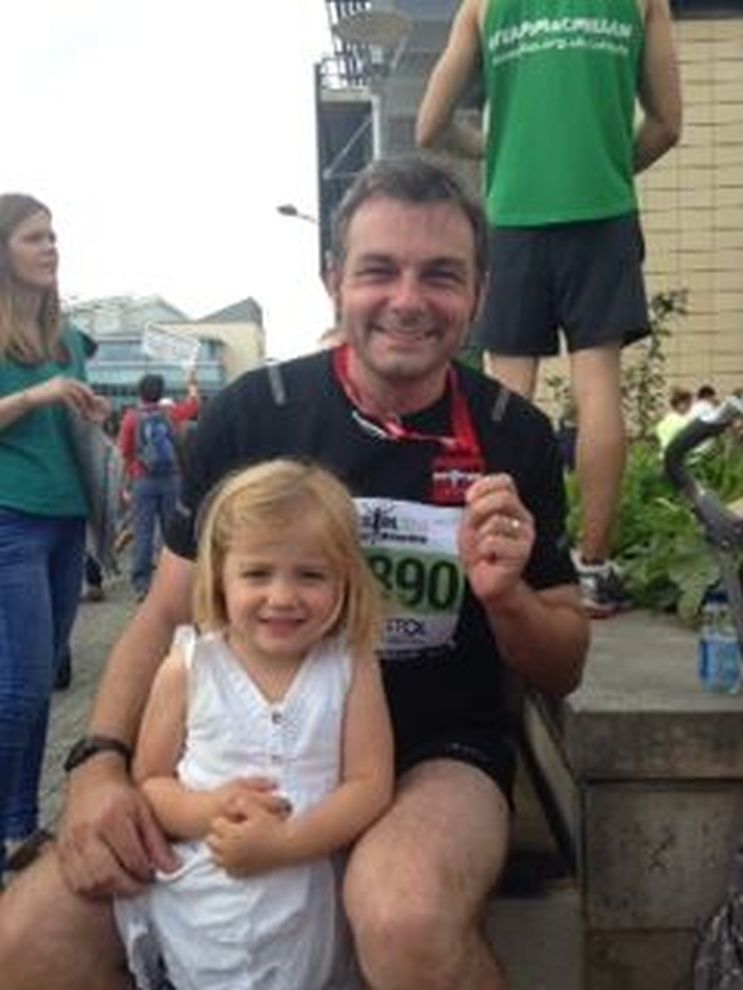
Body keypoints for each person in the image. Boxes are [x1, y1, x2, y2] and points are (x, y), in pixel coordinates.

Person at [0, 156, 589, 990]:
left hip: (434, 754)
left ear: (479, 292)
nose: (408, 300)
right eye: (378, 270)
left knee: (404, 910)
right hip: (228, 756)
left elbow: (563, 660)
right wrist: (97, 765)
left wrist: (505, 599)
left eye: (441, 276)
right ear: (332, 280)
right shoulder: (253, 413)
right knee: (26, 936)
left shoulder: (512, 434)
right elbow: (164, 612)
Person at [415, 0, 682, 617]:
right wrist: (614, 162)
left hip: (513, 218)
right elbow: (666, 124)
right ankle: (592, 565)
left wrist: (492, 145)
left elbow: (430, 126)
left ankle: (504, 556)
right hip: (604, 214)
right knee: (599, 393)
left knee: (506, 401)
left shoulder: (483, 5)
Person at [114, 459, 392, 989]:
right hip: (202, 906)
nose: (282, 597)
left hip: (305, 900)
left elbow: (369, 784)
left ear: (345, 579)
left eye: (310, 575)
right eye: (257, 573)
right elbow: (149, 781)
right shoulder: (189, 667)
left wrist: (286, 844)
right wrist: (206, 810)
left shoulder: (351, 666)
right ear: (220, 575)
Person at [0, 193, 108, 881]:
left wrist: (91, 410)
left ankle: (18, 829)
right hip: (9, 518)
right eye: (34, 237)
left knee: (39, 684)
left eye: (53, 236)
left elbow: (80, 423)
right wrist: (37, 396)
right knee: (22, 686)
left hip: (70, 519)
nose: (50, 247)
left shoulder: (69, 338)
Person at [118, 370, 200, 600]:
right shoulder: (169, 414)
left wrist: (124, 486)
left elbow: (124, 454)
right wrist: (192, 384)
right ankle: (172, 584)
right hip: (171, 480)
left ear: (140, 392)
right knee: (171, 533)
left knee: (143, 533)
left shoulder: (131, 418)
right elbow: (193, 406)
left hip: (142, 481)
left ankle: (142, 585)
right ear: (161, 393)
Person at [655, 386, 692, 453]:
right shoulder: (682, 421)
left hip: (665, 454)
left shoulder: (667, 418)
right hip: (678, 455)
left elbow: (658, 431)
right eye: (687, 403)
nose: (689, 406)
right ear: (678, 404)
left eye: (689, 403)